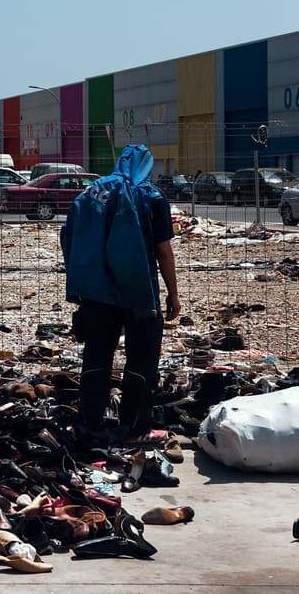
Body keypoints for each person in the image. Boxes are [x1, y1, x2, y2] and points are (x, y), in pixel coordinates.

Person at [61, 144, 180, 446]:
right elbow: (164, 252)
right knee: (142, 358)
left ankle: (89, 424)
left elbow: (68, 235)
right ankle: (135, 428)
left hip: (96, 294)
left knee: (97, 355)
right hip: (138, 290)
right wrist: (173, 295)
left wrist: (80, 281)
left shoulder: (91, 193)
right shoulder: (152, 196)